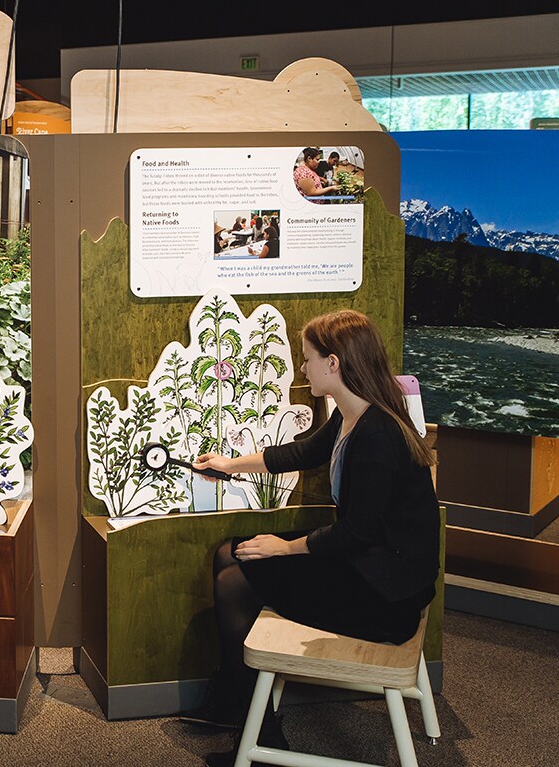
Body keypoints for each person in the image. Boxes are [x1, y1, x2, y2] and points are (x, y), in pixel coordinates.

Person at [182, 310, 440, 764]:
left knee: (235, 579)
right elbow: (301, 452)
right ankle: (232, 702)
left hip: (385, 598)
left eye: (307, 359)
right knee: (230, 552)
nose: (304, 368)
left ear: (334, 363)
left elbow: (356, 534)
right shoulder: (352, 415)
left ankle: (261, 735)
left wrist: (285, 548)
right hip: (370, 566)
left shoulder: (377, 436)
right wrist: (228, 464)